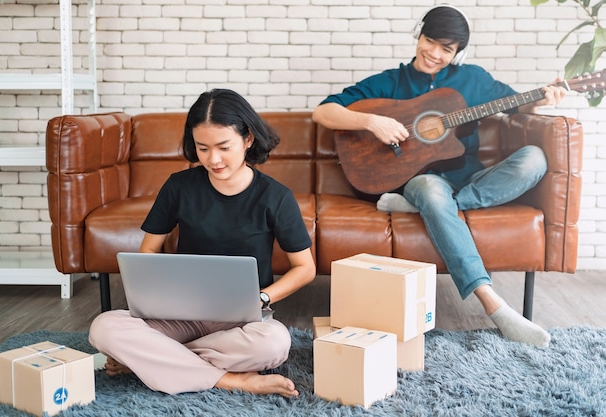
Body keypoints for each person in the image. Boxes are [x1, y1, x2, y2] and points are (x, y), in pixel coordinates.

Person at [312, 5, 567, 348]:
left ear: (458, 52)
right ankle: (495, 306)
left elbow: (515, 105)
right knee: (432, 192)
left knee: (534, 159)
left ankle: (429, 209)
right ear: (419, 36)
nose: (434, 54)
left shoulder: (473, 80)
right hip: (422, 182)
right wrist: (372, 121)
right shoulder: (390, 82)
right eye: (429, 41)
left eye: (446, 49)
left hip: (471, 177)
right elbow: (324, 111)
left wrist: (542, 97)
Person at [89, 88, 316, 398]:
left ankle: (152, 359)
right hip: (179, 314)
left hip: (243, 320)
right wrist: (153, 291)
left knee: (275, 343)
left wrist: (262, 298)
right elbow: (149, 251)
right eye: (202, 148)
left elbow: (305, 268)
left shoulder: (275, 197)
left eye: (224, 146)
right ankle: (233, 380)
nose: (213, 159)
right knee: (104, 327)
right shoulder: (179, 187)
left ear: (248, 138)